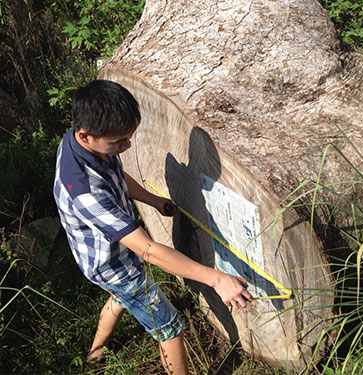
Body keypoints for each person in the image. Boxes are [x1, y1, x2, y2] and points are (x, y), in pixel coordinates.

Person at [53, 79, 253, 374]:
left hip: (102, 257)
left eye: (129, 137)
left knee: (120, 298)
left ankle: (94, 354)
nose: (128, 146)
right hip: (113, 264)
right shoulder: (85, 191)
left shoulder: (81, 143)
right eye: (119, 142)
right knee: (170, 330)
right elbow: (148, 250)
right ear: (86, 135)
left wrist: (151, 199)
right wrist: (216, 279)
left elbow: (116, 177)